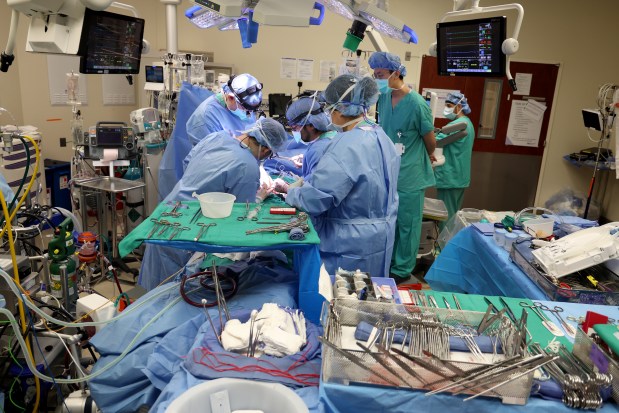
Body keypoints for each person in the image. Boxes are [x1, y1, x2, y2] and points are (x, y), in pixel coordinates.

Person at [139, 118, 288, 290]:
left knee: (153, 295)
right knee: (173, 295)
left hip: (168, 211)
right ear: (267, 149)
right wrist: (260, 197)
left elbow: (188, 163)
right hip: (188, 232)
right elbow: (240, 215)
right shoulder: (247, 167)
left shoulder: (216, 137)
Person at [285, 74, 400, 278]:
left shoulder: (346, 145)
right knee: (368, 300)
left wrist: (292, 193)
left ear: (340, 109)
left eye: (330, 109)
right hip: (380, 239)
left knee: (339, 301)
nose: (328, 115)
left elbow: (316, 199)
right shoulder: (382, 137)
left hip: (349, 246)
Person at [369, 51, 436, 284]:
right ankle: (389, 262)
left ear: (396, 73)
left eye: (381, 74)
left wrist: (428, 155)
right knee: (391, 221)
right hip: (389, 170)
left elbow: (430, 139)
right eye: (375, 74)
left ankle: (402, 269)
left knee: (407, 223)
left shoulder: (417, 103)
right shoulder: (384, 97)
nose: (377, 78)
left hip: (410, 173)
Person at [158, 74, 262, 199]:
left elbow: (252, 139)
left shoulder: (245, 108)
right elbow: (217, 162)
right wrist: (250, 171)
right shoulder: (205, 118)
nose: (249, 115)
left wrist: (257, 169)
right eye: (246, 110)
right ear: (230, 98)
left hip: (238, 173)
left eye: (252, 111)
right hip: (210, 184)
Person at [276, 95, 335, 189]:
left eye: (295, 128)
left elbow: (313, 193)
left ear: (311, 125)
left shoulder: (318, 150)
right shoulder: (333, 136)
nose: (294, 132)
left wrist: (285, 188)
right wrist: (305, 159)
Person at [434, 92, 476, 225]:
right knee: (452, 214)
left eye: (449, 105)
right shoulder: (468, 123)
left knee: (445, 217)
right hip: (458, 177)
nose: (446, 108)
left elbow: (434, 141)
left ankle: (444, 245)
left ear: (459, 107)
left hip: (450, 177)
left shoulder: (459, 124)